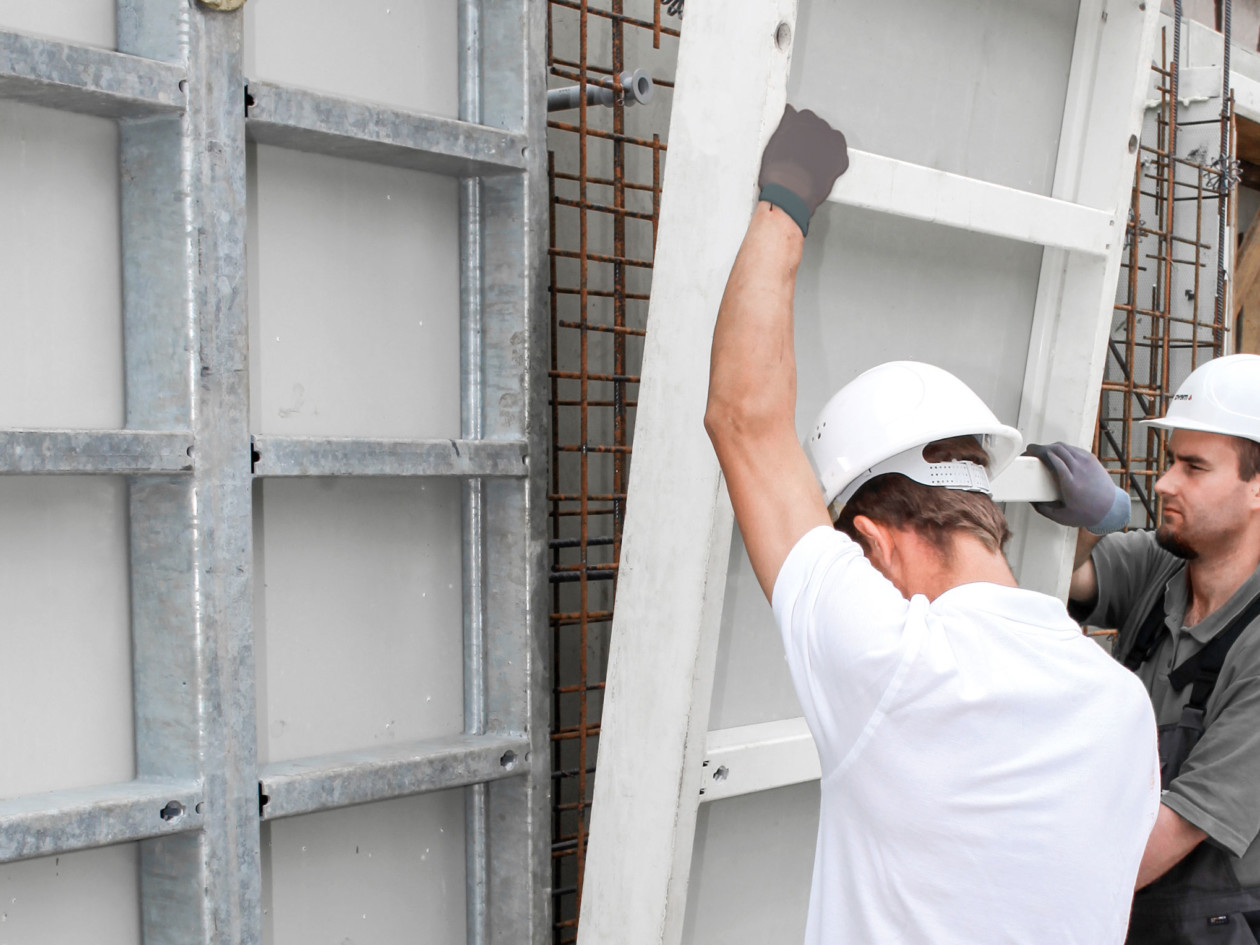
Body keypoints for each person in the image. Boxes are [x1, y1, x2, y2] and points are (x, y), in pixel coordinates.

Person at [704, 103, 1161, 945]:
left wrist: (787, 201)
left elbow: (746, 424)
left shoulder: (898, 666)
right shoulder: (1123, 710)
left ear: (872, 539)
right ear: (989, 513)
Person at [1035, 354, 1260, 944]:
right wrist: (1089, 517)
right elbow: (1065, 580)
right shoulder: (1163, 567)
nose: (1163, 483)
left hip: (1207, 922)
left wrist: (1036, 905)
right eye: (1168, 462)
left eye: (1193, 467)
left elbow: (1182, 823)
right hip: (1122, 899)